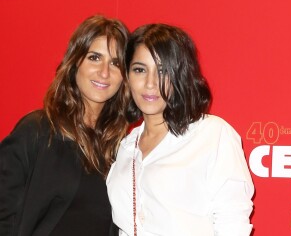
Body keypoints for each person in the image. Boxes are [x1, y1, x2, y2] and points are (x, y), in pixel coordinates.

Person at [107, 23, 255, 236]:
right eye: (140, 70)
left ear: (180, 76)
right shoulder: (126, 147)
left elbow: (232, 223)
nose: (150, 83)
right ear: (128, 76)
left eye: (163, 71)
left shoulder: (212, 135)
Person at [0, 15, 129, 236]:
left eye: (115, 63)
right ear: (75, 63)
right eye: (94, 57)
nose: (105, 72)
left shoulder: (120, 150)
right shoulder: (37, 131)